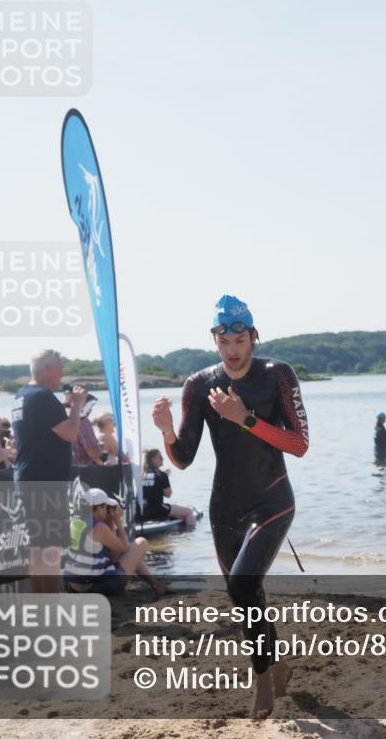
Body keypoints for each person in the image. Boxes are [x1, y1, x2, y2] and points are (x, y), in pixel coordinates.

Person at [151, 295, 308, 718]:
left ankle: (260, 679)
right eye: (226, 341)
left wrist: (247, 419)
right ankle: (275, 663)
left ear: (253, 337)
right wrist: (166, 433)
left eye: (241, 339)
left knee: (241, 585)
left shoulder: (277, 375)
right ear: (214, 341)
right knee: (245, 594)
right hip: (225, 507)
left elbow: (299, 445)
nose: (234, 349)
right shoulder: (199, 384)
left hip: (273, 498)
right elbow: (183, 457)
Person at [12, 350, 85, 594]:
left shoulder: (21, 395)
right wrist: (76, 407)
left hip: (28, 477)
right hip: (46, 481)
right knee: (51, 549)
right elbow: (70, 433)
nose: (63, 374)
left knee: (37, 548)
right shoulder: (43, 397)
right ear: (48, 369)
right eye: (60, 368)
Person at [64, 487, 166, 597]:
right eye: (106, 507)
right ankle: (156, 585)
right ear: (99, 508)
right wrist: (118, 521)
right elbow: (123, 548)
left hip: (74, 585)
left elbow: (110, 551)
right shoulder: (98, 527)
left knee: (127, 554)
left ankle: (155, 584)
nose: (108, 510)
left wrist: (109, 521)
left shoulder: (75, 520)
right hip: (93, 587)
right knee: (141, 543)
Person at [141, 448, 197, 529]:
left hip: (141, 512)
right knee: (188, 512)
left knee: (171, 506)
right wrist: (166, 477)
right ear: (153, 459)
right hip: (157, 510)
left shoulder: (141, 475)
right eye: (160, 457)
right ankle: (190, 535)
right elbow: (168, 494)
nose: (163, 459)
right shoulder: (161, 475)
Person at [72, 394, 105, 467]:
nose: (90, 410)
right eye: (90, 406)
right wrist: (101, 447)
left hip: (70, 467)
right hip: (84, 469)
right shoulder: (83, 422)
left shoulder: (68, 419)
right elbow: (93, 453)